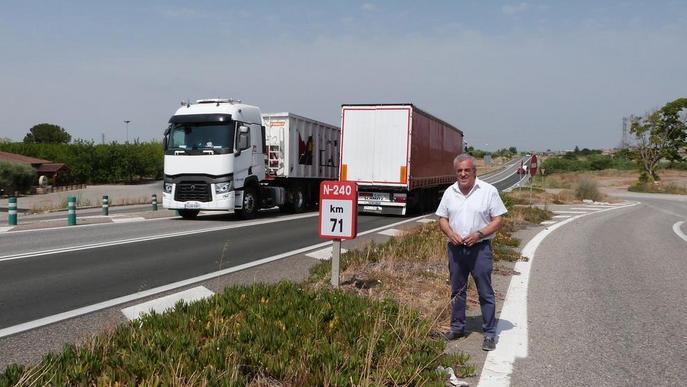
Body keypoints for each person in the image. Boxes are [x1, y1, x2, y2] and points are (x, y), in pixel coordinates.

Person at [435, 154, 507, 351]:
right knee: (457, 291)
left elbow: (498, 219)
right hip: (456, 250)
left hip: (480, 249)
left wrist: (479, 233)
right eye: (459, 171)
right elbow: (442, 218)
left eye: (467, 170)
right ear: (456, 172)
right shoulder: (450, 192)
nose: (463, 174)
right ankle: (457, 328)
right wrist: (450, 233)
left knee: (485, 291)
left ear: (474, 171)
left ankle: (490, 333)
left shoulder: (488, 191)